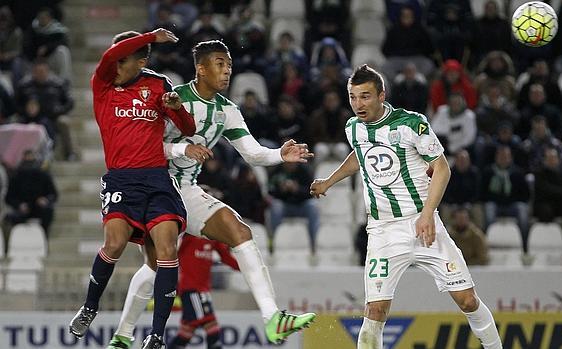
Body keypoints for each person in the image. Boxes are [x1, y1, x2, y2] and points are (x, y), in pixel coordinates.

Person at [105, 40, 315, 349]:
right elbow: (140, 147)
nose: (227, 70)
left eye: (229, 64)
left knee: (240, 231)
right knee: (154, 266)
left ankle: (273, 317)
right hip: (153, 187)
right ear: (200, 68)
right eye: (219, 63)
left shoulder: (226, 111)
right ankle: (123, 335)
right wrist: (183, 148)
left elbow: (253, 154)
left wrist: (280, 155)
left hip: (187, 191)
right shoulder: (172, 100)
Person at [310, 65, 501, 349]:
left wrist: (426, 215)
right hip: (383, 231)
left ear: (381, 95)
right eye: (352, 97)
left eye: (365, 97)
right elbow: (360, 155)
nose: (358, 105)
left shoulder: (411, 124)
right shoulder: (353, 128)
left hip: (423, 224)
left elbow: (442, 168)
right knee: (374, 311)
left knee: (467, 300)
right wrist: (329, 181)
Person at [68, 28, 198, 349]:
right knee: (113, 244)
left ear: (138, 62)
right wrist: (152, 35)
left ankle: (156, 336)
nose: (112, 64)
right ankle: (89, 307)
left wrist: (178, 108)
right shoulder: (103, 85)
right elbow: (109, 56)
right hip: (121, 180)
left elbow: (188, 129)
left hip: (156, 180)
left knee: (165, 254)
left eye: (120, 60)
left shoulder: (157, 85)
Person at [167, 234, 240, 349]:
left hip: (203, 291)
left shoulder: (212, 238)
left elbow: (225, 256)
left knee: (187, 331)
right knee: (211, 325)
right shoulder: (189, 236)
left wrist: (245, 268)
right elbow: (173, 249)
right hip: (191, 290)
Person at [5, 149, 57, 237]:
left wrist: (45, 200)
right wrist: (19, 205)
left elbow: (53, 194)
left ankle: (43, 236)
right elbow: (9, 197)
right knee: (10, 217)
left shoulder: (43, 175)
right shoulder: (16, 176)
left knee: (48, 211)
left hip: (39, 208)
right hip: (22, 209)